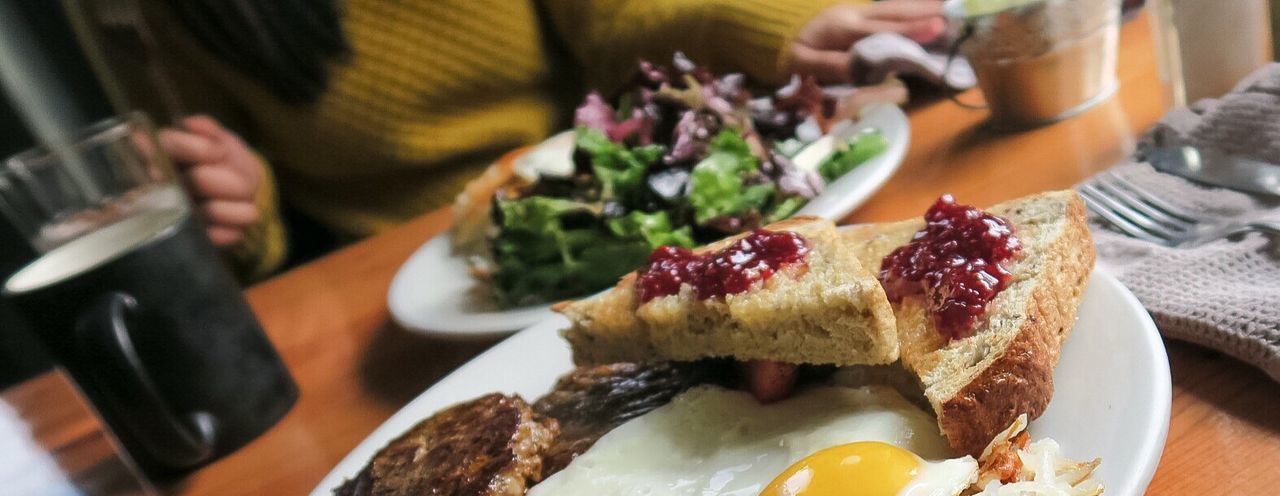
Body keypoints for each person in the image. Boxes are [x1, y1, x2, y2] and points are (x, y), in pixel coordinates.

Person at [114, 0, 945, 278]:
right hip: (394, 279)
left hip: (620, 205)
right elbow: (239, 183)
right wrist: (242, 207)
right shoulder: (182, 14)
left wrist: (764, 24)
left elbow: (621, 22)